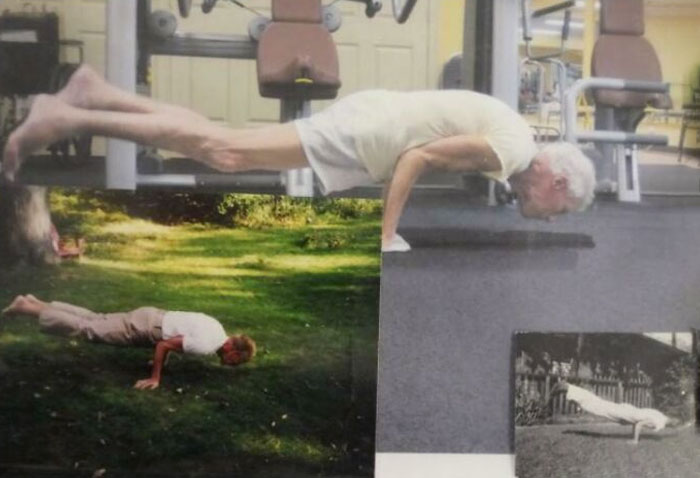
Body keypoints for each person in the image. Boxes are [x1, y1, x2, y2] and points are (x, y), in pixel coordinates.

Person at [1, 65, 596, 252]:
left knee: (219, 139)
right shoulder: (513, 147)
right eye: (559, 209)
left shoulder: (512, 146)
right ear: (558, 180)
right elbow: (416, 157)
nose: (548, 217)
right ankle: (66, 116)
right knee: (225, 151)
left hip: (372, 127)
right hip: (370, 133)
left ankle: (93, 94)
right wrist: (387, 235)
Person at [1, 294, 256, 390]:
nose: (231, 365)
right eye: (236, 362)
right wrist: (155, 376)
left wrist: (161, 359)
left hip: (152, 314)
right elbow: (163, 344)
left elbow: (174, 335)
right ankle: (28, 309)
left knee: (95, 318)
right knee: (89, 329)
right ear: (233, 352)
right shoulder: (206, 347)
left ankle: (35, 302)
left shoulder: (217, 327)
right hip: (145, 328)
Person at [549, 381, 682, 444]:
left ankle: (567, 389)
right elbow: (639, 424)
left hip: (628, 411)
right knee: (597, 406)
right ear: (673, 422)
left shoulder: (662, 416)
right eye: (676, 422)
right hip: (627, 413)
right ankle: (567, 387)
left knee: (598, 404)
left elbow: (637, 422)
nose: (674, 422)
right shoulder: (660, 422)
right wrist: (635, 440)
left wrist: (625, 421)